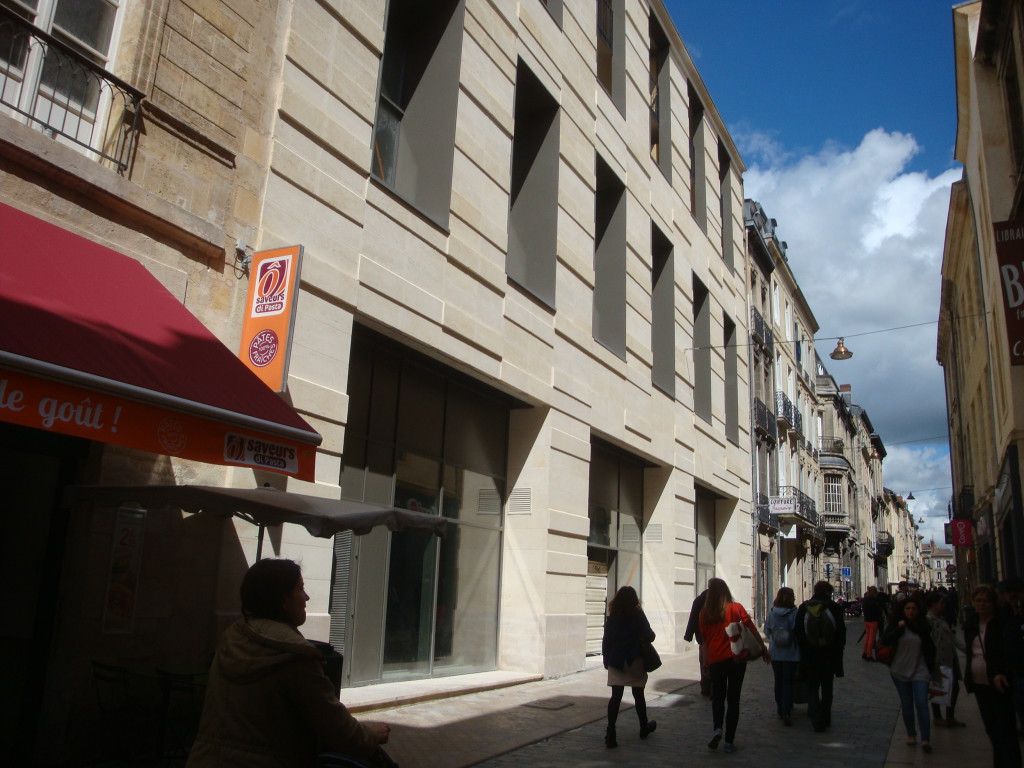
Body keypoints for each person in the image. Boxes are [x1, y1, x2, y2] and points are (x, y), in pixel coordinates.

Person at [187, 559, 395, 768]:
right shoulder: (296, 656)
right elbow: (336, 728)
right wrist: (370, 736)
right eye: (300, 589)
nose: (306, 598)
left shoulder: (232, 638)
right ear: (283, 600)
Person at [698, 577, 770, 753]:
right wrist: (763, 649)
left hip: (716, 660)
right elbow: (752, 630)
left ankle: (717, 729)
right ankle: (729, 740)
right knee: (733, 699)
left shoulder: (704, 613)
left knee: (718, 697)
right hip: (736, 658)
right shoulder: (736, 608)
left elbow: (705, 642)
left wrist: (706, 663)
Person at [963, 584, 1022, 768]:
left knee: (1006, 730)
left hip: (998, 682)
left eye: (986, 601)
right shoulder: (971, 624)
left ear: (993, 603)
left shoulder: (1002, 623)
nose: (982, 604)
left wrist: (1000, 672)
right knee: (992, 730)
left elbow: (1007, 651)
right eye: (978, 601)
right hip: (979, 683)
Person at [601, 586, 657, 749]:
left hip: (617, 660)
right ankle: (643, 727)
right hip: (635, 659)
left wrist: (606, 659)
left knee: (615, 697)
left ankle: (611, 732)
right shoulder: (638, 615)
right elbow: (651, 636)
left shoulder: (612, 617)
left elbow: (606, 641)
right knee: (638, 694)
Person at [882, 597, 937, 753]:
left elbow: (930, 648)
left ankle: (925, 739)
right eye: (908, 608)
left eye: (913, 608)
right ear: (902, 610)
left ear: (918, 611)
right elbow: (885, 640)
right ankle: (911, 734)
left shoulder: (924, 627)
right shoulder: (896, 625)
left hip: (921, 670)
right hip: (899, 669)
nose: (911, 611)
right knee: (906, 704)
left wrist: (933, 668)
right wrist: (899, 629)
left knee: (921, 703)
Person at [795, 580, 846, 732]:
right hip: (829, 655)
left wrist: (804, 649)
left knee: (812, 686)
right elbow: (841, 632)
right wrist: (838, 650)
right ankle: (825, 717)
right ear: (827, 592)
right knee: (827, 687)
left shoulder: (804, 608)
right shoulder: (834, 608)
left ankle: (815, 715)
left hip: (810, 654)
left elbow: (798, 632)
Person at [925, 591, 965, 727]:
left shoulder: (941, 619)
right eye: (941, 603)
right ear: (933, 604)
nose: (943, 605)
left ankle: (949, 716)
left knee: (954, 687)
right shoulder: (929, 620)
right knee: (937, 687)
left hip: (949, 657)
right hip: (938, 659)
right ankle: (938, 717)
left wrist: (967, 650)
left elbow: (952, 639)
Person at [763, 586, 800, 726]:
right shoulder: (795, 613)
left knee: (778, 681)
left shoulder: (772, 613)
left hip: (775, 653)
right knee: (788, 682)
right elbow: (797, 631)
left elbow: (767, 633)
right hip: (791, 653)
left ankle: (780, 708)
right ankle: (787, 710)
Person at [683, 586, 711, 696]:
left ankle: (705, 687)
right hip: (716, 639)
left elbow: (693, 618)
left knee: (704, 662)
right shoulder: (720, 601)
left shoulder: (699, 600)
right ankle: (713, 686)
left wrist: (688, 635)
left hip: (703, 639)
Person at [862, 586, 884, 661]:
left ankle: (864, 652)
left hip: (866, 620)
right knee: (872, 638)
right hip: (873, 621)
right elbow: (878, 611)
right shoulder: (874, 601)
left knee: (867, 637)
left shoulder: (865, 600)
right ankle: (869, 655)